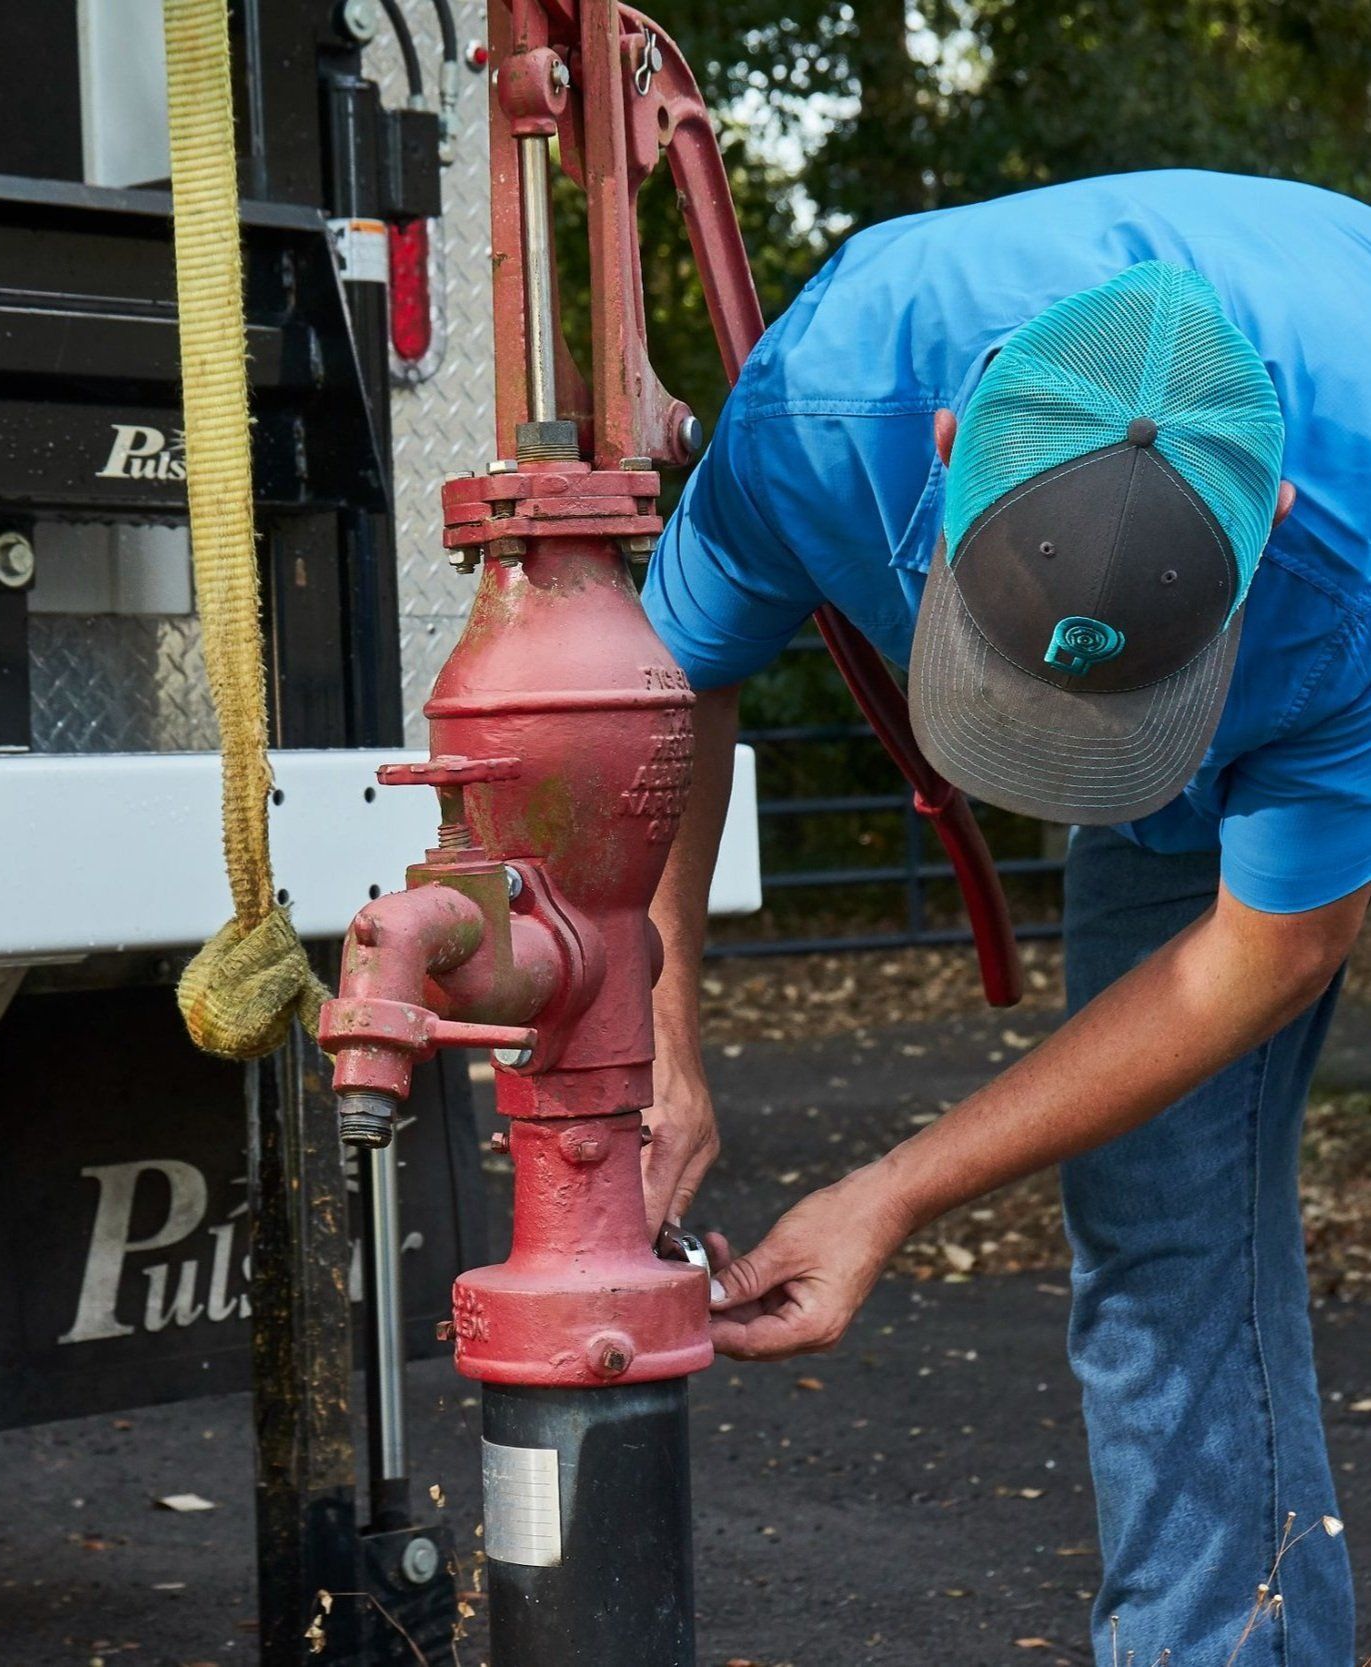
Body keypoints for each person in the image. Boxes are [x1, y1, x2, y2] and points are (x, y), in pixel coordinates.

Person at [640, 170, 1370, 1665]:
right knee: (1153, 1197)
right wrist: (664, 1036)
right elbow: (674, 682)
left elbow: (1269, 950)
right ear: (955, 451)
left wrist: (891, 1193)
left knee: (1173, 1187)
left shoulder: (1352, 542)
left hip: (1312, 656)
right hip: (1244, 627)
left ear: (1268, 514)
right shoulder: (831, 406)